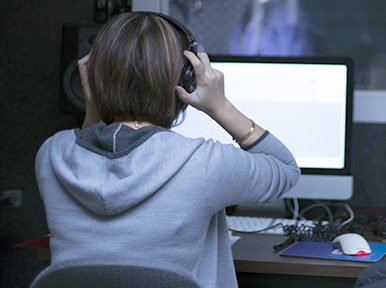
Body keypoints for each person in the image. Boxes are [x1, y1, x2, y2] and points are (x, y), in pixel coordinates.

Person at [35, 12, 300, 287]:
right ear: (187, 81)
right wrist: (220, 105)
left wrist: (97, 106)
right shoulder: (201, 163)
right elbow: (285, 169)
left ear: (91, 79)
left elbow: (88, 146)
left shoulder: (52, 156)